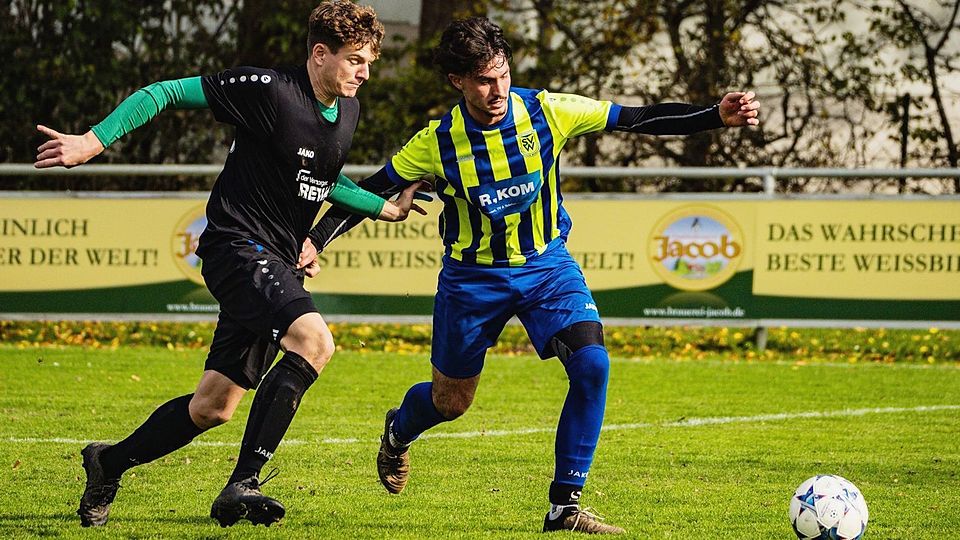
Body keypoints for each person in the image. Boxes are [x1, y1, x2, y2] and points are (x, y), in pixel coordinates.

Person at [308, 16, 761, 535]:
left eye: (500, 73)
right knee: (450, 401)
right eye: (482, 79)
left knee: (592, 366)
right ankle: (399, 431)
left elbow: (636, 118)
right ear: (457, 82)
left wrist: (713, 116)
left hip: (547, 267)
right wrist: (315, 240)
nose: (496, 88)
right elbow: (371, 189)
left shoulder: (547, 110)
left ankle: (564, 507)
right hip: (471, 280)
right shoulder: (437, 141)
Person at [34, 1, 425, 529]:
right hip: (235, 247)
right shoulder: (268, 88)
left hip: (277, 258)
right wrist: (92, 140)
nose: (365, 72)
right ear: (318, 54)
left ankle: (109, 462)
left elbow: (324, 179)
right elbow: (165, 91)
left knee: (211, 408)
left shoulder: (348, 110)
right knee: (314, 342)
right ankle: (242, 485)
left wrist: (386, 208)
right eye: (355, 59)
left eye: (370, 61)